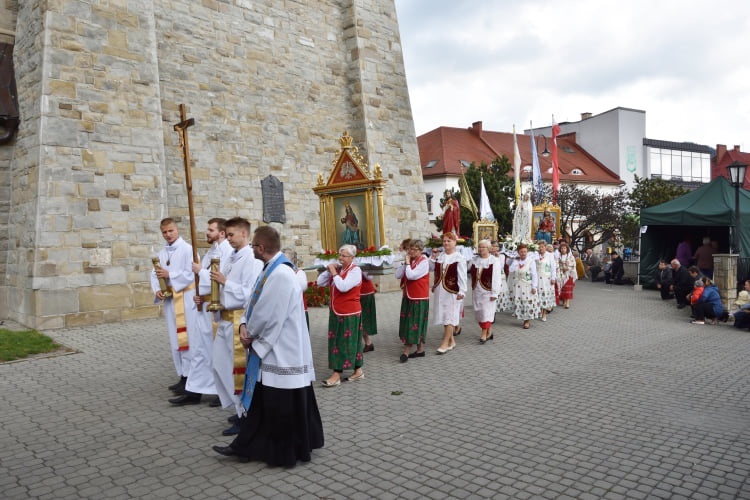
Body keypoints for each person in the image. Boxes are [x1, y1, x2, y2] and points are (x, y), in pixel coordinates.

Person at [212, 225, 324, 466]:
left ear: (261, 248)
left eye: (253, 245)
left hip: (282, 351)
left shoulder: (281, 274)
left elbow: (267, 314)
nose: (251, 248)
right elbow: (253, 299)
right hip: (273, 349)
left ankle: (280, 452)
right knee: (265, 404)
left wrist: (249, 332)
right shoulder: (270, 270)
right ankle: (247, 446)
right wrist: (243, 323)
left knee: (281, 406)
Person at [207, 218, 263, 434]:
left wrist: (224, 282)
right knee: (220, 366)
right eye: (227, 235)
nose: (228, 239)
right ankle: (238, 408)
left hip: (238, 320)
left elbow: (250, 293)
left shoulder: (252, 259)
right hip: (225, 317)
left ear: (243, 233)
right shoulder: (230, 256)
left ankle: (245, 415)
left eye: (231, 235)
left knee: (238, 371)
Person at [171, 218, 233, 406]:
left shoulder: (228, 253)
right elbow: (203, 282)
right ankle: (194, 391)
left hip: (216, 310)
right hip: (203, 308)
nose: (207, 233)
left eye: (210, 230)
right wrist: (200, 295)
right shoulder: (211, 252)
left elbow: (221, 278)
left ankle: (219, 391)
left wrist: (201, 272)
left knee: (216, 352)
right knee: (200, 351)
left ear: (221, 233)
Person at [150, 218, 198, 396]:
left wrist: (170, 274)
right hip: (171, 301)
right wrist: (157, 290)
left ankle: (192, 378)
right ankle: (183, 376)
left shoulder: (188, 250)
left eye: (171, 231)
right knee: (176, 341)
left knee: (188, 340)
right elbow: (154, 274)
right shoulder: (163, 252)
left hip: (185, 300)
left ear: (177, 230)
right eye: (164, 232)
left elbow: (192, 273)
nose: (168, 235)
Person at [317, 244, 364, 386]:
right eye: (340, 255)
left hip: (349, 312)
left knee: (345, 343)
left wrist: (334, 273)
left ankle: (336, 375)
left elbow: (343, 287)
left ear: (352, 258)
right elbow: (320, 282)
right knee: (339, 342)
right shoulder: (340, 270)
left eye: (344, 256)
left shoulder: (356, 271)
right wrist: (328, 271)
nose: (340, 258)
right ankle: (358, 371)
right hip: (337, 312)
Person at [430, 231, 466, 353]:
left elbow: (462, 276)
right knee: (444, 315)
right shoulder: (441, 256)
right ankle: (452, 341)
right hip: (441, 290)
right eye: (444, 241)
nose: (446, 243)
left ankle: (445, 343)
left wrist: (462, 291)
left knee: (450, 316)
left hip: (452, 291)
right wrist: (435, 284)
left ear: (455, 242)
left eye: (449, 241)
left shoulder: (459, 258)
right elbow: (434, 270)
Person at [396, 239, 430, 361]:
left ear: (420, 250)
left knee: (414, 323)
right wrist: (405, 263)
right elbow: (398, 275)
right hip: (408, 295)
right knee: (409, 322)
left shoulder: (424, 261)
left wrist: (408, 263)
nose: (410, 251)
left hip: (418, 297)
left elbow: (411, 275)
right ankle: (420, 349)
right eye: (409, 249)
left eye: (414, 249)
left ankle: (406, 351)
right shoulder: (411, 261)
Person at [470, 240, 503, 343]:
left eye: (483, 247)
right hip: (477, 290)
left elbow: (497, 278)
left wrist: (495, 293)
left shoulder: (494, 261)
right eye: (479, 247)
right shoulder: (475, 260)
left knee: (486, 312)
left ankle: (484, 333)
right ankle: (489, 331)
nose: (481, 249)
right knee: (480, 312)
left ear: (488, 248)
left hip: (488, 291)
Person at [509, 243, 539, 329]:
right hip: (518, 285)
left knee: (527, 302)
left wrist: (534, 286)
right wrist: (514, 261)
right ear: (518, 252)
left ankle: (527, 321)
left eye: (525, 251)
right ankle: (522, 317)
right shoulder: (516, 261)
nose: (523, 253)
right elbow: (511, 270)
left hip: (527, 285)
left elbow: (534, 274)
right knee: (520, 302)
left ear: (527, 252)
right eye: (521, 252)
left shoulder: (531, 261)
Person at [283, 248, 310, 330]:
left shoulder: (299, 273)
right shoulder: (280, 273)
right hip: (284, 311)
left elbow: (302, 287)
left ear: (293, 260)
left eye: (285, 259)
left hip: (298, 311)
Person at [535, 240, 557, 321]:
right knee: (538, 296)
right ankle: (539, 311)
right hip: (537, 279)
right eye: (539, 247)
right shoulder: (535, 255)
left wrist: (553, 278)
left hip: (546, 279)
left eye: (542, 247)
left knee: (544, 296)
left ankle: (544, 313)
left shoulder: (550, 255)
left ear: (545, 247)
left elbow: (553, 267)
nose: (541, 248)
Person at [360, 270, 377, 353]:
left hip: (365, 293)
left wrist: (361, 268)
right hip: (356, 294)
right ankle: (368, 343)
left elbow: (369, 276)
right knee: (360, 320)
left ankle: (367, 343)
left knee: (363, 320)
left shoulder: (364, 261)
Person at [556, 241, 577, 308]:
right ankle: (564, 301)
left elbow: (573, 264)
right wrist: (560, 268)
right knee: (562, 289)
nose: (563, 250)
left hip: (569, 274)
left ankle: (567, 302)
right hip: (561, 274)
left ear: (567, 249)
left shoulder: (571, 257)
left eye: (564, 248)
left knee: (568, 289)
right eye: (562, 248)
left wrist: (567, 268)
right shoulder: (558, 257)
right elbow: (557, 265)